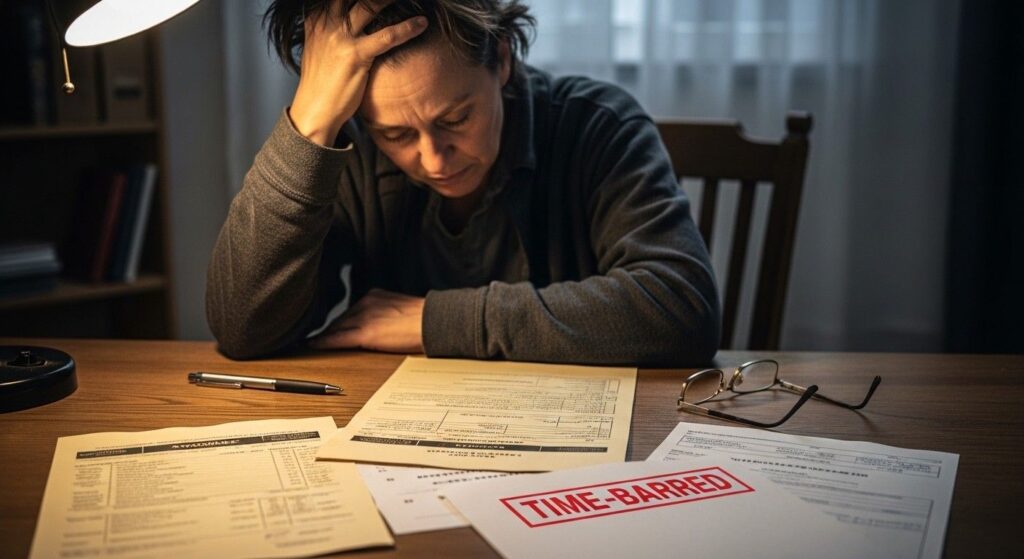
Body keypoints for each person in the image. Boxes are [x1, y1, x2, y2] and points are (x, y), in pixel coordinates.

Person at [206, 0, 720, 365]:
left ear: (501, 60)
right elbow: (243, 328)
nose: (433, 159)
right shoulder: (349, 149)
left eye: (455, 120)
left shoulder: (599, 125)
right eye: (396, 134)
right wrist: (309, 125)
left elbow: (680, 307)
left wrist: (438, 320)